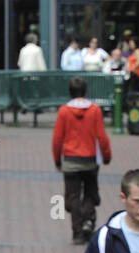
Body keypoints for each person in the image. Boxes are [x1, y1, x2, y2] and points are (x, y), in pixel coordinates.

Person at [53, 77, 112, 244]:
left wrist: (57, 160)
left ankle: (77, 231)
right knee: (90, 193)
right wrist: (106, 155)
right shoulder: (94, 110)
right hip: (90, 159)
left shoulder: (64, 111)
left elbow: (58, 138)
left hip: (71, 160)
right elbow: (102, 136)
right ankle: (88, 221)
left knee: (72, 196)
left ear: (70, 92)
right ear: (85, 91)